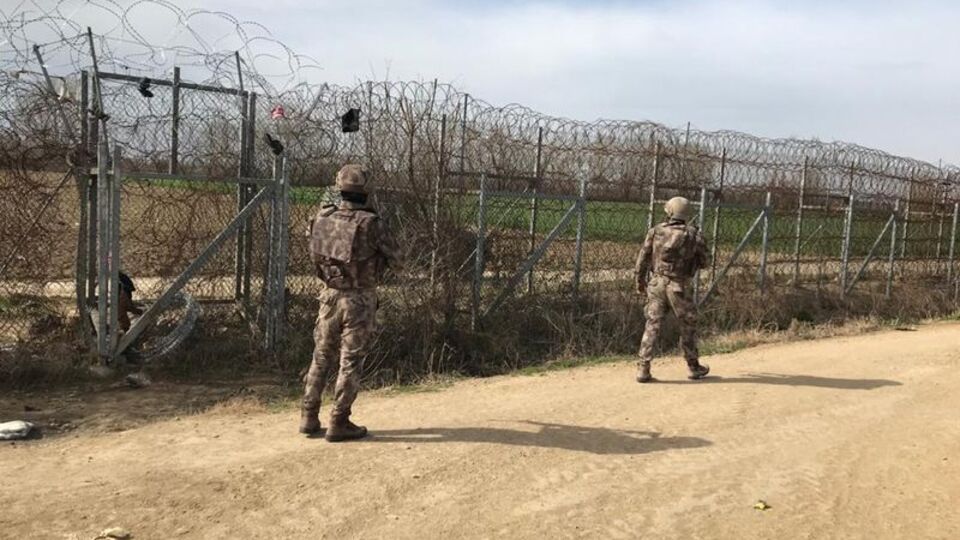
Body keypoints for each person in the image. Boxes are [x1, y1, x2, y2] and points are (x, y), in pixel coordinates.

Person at [300, 164, 401, 441]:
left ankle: (309, 415)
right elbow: (399, 260)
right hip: (360, 299)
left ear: (339, 189)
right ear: (366, 191)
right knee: (350, 360)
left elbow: (314, 254)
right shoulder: (371, 224)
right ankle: (339, 420)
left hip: (329, 296)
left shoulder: (321, 218)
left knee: (321, 356)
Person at [634, 196, 710, 383]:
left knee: (652, 324)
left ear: (669, 211)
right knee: (688, 326)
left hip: (657, 284)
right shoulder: (694, 235)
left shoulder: (656, 231)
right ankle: (693, 366)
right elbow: (706, 262)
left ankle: (643, 368)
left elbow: (643, 258)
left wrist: (640, 281)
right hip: (679, 286)